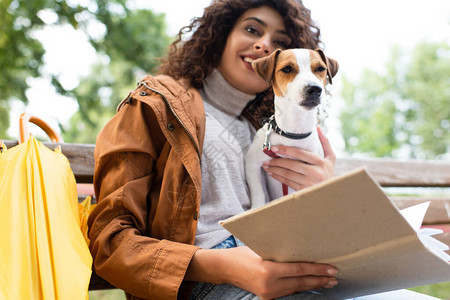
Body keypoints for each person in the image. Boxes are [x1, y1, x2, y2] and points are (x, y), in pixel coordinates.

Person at [88, 1, 438, 299]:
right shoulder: (157, 103)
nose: (265, 46)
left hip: (287, 263)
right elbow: (110, 241)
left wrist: (322, 191)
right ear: (221, 33)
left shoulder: (269, 131)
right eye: (253, 30)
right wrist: (222, 266)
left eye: (280, 42)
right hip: (212, 278)